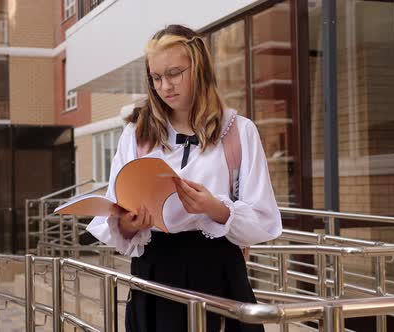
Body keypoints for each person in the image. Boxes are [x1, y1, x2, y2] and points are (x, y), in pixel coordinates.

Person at [87, 24, 282, 332]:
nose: (165, 86)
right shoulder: (136, 135)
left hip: (218, 271)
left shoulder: (239, 131)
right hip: (154, 270)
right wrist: (128, 224)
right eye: (156, 78)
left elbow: (263, 218)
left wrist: (214, 208)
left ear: (199, 67)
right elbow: (114, 208)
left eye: (175, 73)